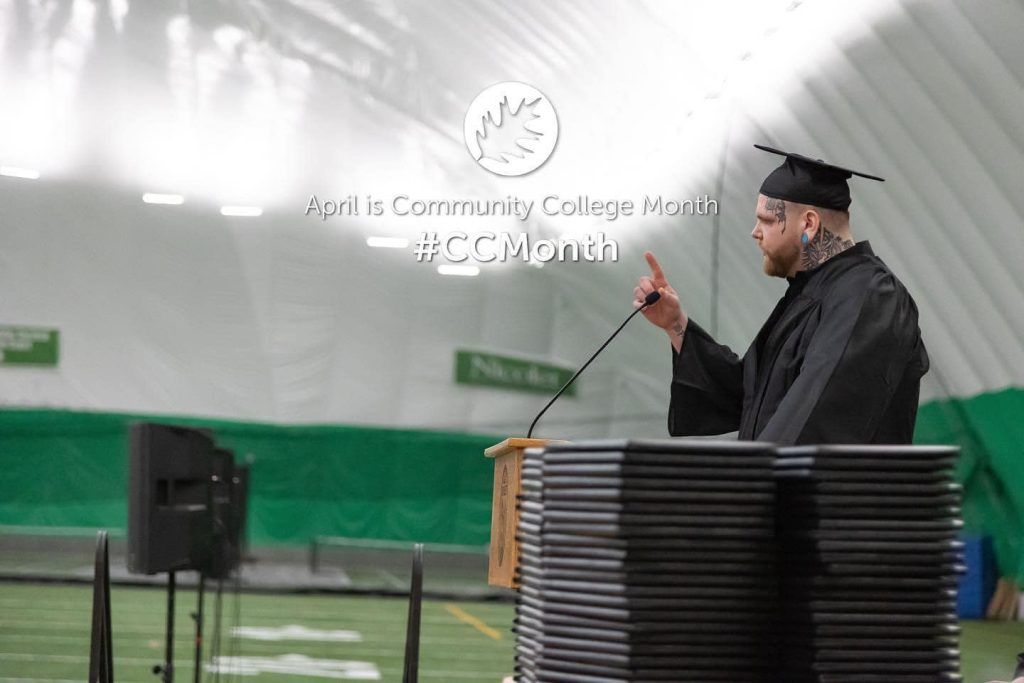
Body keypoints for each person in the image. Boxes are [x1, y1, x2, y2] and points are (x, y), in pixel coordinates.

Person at [634, 144, 929, 445]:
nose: (754, 232)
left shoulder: (870, 296)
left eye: (767, 220)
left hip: (831, 492)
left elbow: (816, 418)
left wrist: (747, 483)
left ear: (809, 224)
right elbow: (749, 395)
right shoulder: (807, 294)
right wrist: (675, 324)